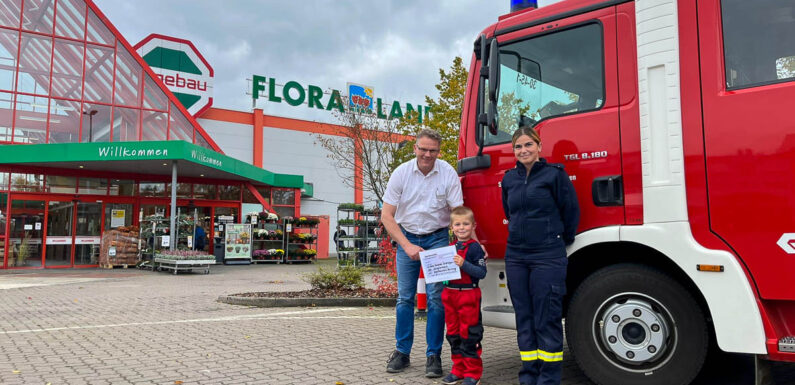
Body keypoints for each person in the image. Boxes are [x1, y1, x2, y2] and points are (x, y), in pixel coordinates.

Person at [381, 128, 463, 378]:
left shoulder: (447, 172)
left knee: (437, 299)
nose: (427, 154)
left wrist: (468, 243)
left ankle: (433, 356)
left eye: (433, 150)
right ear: (415, 148)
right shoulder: (401, 173)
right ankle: (402, 352)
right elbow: (387, 215)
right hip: (407, 237)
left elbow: (458, 212)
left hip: (437, 239)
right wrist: (406, 245)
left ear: (439, 151)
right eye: (423, 149)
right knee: (405, 299)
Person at [501, 126, 579, 385]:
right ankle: (528, 376)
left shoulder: (554, 175)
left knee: (547, 318)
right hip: (516, 256)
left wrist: (558, 239)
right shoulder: (510, 179)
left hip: (547, 255)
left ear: (539, 146)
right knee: (524, 317)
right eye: (518, 146)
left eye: (528, 145)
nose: (523, 150)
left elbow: (570, 211)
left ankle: (548, 379)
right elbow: (509, 212)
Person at [441, 206, 486, 385]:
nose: (462, 228)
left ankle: (473, 373)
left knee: (470, 335)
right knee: (453, 334)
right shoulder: (449, 248)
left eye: (465, 224)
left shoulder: (475, 249)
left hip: (468, 295)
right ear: (452, 228)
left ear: (473, 226)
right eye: (457, 224)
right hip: (449, 295)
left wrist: (463, 264)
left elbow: (481, 272)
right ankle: (458, 370)